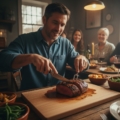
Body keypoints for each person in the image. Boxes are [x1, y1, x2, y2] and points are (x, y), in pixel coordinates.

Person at [0, 3, 88, 91]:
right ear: (44, 20)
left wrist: (82, 59)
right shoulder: (25, 40)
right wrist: (31, 57)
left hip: (59, 97)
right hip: (30, 98)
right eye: (55, 22)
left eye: (62, 25)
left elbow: (82, 62)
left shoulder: (66, 43)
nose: (58, 29)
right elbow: (2, 59)